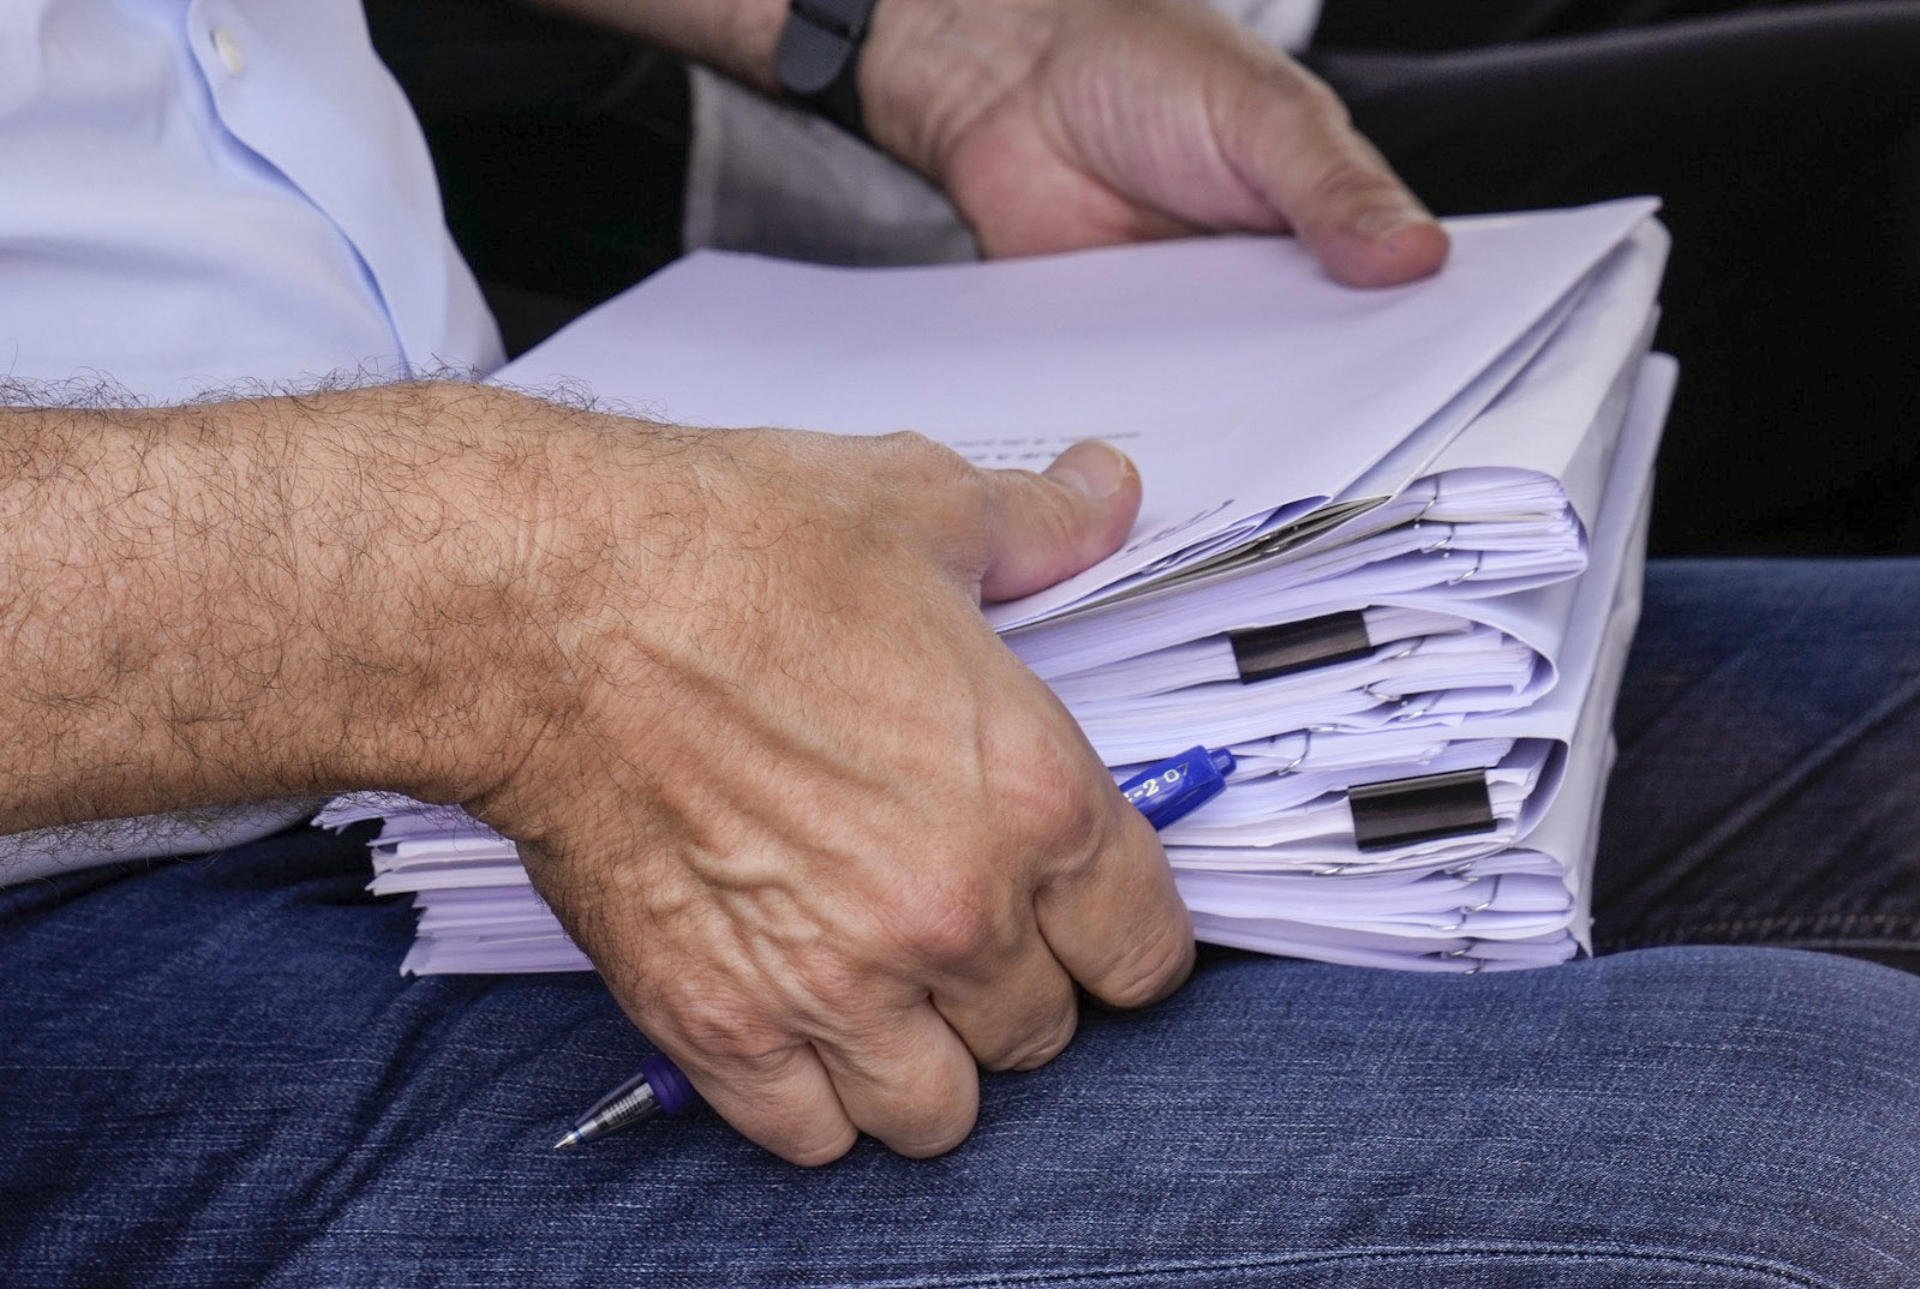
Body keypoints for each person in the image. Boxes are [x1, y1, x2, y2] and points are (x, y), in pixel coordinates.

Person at [2, 1, 1917, 1284]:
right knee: (1841, 1159)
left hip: (487, 560)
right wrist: (501, 602)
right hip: (108, 894)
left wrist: (910, 36)